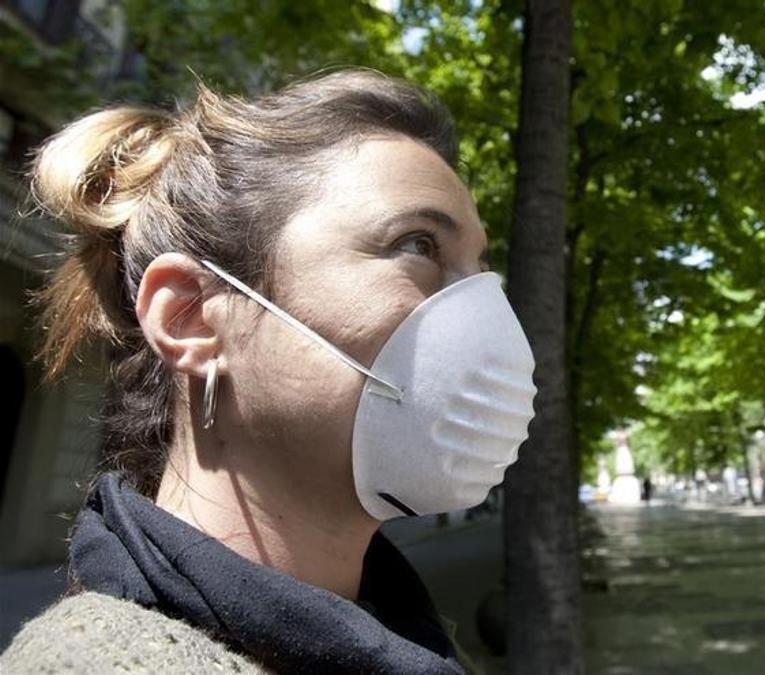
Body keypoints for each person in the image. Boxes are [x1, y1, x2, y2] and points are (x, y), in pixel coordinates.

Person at [1, 70, 538, 673]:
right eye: (418, 245)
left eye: (479, 270)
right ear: (191, 318)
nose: (486, 318)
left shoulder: (406, 633)